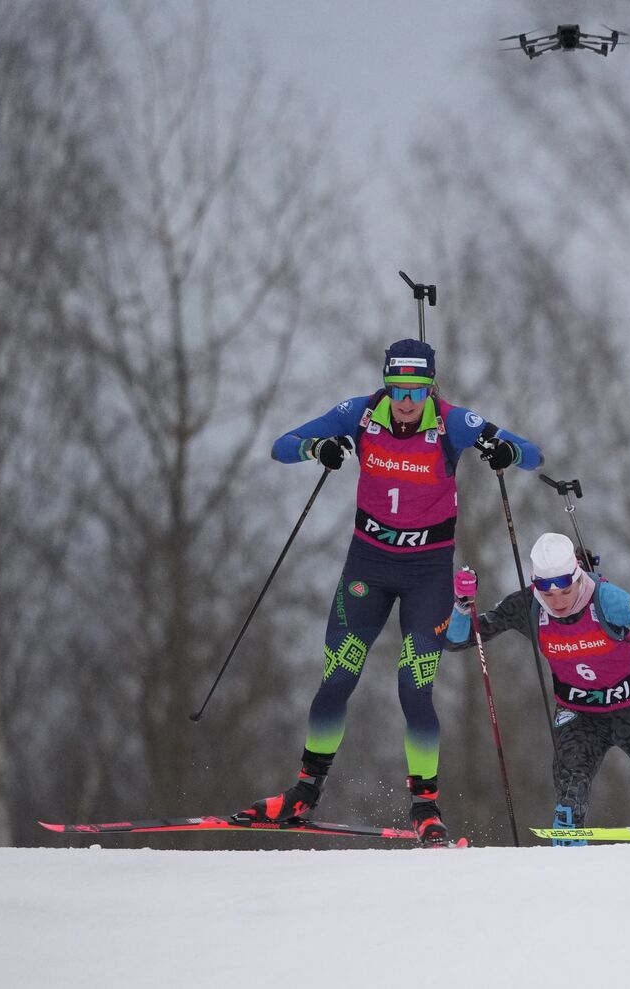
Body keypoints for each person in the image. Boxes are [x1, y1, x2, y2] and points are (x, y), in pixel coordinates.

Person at [240, 339, 543, 845]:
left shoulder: (453, 423)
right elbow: (282, 444)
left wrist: (504, 449)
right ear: (386, 383)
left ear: (431, 388)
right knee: (337, 678)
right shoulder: (358, 414)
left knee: (414, 688)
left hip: (428, 575)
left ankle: (425, 806)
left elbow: (530, 455)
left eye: (417, 389)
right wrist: (318, 448)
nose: (406, 400)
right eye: (398, 388)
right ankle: (303, 793)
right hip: (368, 568)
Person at [444, 532, 630, 845]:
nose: (558, 602)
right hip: (579, 715)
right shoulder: (527, 606)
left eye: (565, 591)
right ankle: (563, 870)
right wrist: (461, 605)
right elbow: (458, 640)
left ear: (579, 576)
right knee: (570, 801)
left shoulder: (609, 599)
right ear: (536, 584)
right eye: (547, 594)